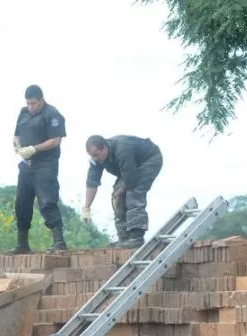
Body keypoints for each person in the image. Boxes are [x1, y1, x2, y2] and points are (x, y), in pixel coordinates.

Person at [10, 84, 68, 254]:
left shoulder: (52, 114)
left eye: (33, 103)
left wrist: (34, 149)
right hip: (27, 164)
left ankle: (59, 240)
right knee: (22, 202)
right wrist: (17, 145)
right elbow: (16, 134)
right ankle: (22, 244)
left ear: (41, 100)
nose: (31, 107)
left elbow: (56, 140)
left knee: (47, 201)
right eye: (28, 103)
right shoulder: (23, 113)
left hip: (45, 164)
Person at [82, 135, 163, 248]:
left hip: (149, 159)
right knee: (117, 198)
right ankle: (124, 238)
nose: (95, 158)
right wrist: (86, 207)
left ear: (104, 148)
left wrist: (122, 188)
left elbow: (130, 179)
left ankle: (136, 237)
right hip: (129, 168)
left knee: (133, 192)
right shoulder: (96, 160)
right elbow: (92, 183)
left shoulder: (123, 148)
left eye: (96, 155)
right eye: (92, 156)